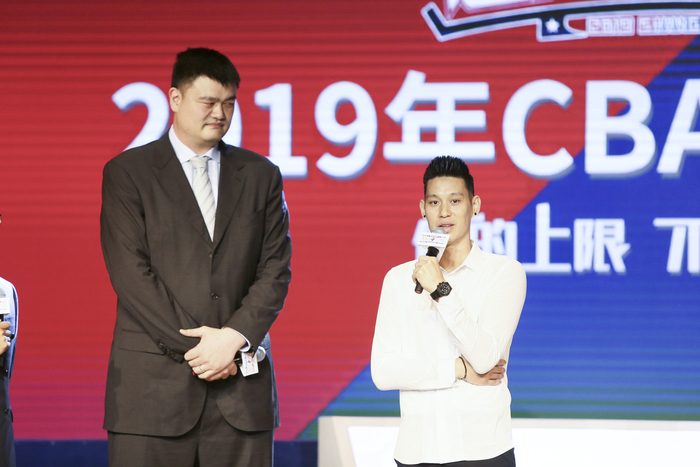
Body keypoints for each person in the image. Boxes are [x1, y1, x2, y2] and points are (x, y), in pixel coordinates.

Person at [100, 47, 292, 467]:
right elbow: (131, 275)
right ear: (175, 98)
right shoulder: (128, 173)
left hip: (241, 395)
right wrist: (206, 352)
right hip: (151, 397)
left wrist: (233, 339)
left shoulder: (261, 175)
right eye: (208, 102)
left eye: (229, 103)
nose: (219, 114)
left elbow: (275, 271)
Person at [371, 156, 526, 466]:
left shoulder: (503, 272)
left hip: (482, 451)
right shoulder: (398, 279)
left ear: (474, 205)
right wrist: (458, 370)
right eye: (434, 202)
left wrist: (440, 290)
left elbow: (485, 358)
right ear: (422, 209)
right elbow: (383, 372)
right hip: (417, 451)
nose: (444, 212)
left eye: (455, 201)